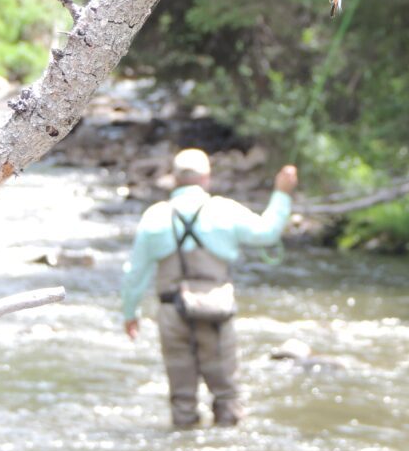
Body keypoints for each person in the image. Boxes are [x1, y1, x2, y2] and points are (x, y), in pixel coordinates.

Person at [121, 147, 298, 429]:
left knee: (181, 396)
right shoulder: (223, 209)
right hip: (217, 309)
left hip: (171, 311)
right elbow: (267, 233)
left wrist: (130, 313)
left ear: (175, 179)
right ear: (206, 178)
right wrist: (282, 193)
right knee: (227, 392)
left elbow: (134, 274)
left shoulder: (155, 216)